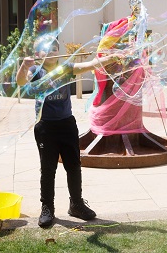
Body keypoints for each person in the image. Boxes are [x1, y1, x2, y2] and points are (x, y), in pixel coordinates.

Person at [16, 37, 122, 227]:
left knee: (73, 165)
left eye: (54, 48)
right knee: (48, 169)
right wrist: (24, 67)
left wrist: (110, 57)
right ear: (38, 53)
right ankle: (47, 208)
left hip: (67, 124)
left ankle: (76, 204)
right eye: (45, 49)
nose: (51, 52)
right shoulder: (36, 70)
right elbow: (21, 82)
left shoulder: (66, 68)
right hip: (45, 127)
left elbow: (91, 64)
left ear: (58, 51)